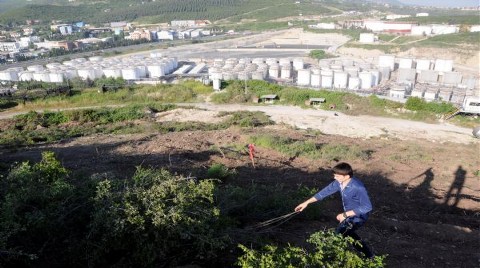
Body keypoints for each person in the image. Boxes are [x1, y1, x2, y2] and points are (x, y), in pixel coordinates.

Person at [295, 162, 374, 258]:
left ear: (347, 176)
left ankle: (329, 258)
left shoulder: (358, 187)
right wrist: (306, 203)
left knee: (339, 234)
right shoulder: (339, 183)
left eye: (337, 176)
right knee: (348, 233)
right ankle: (369, 255)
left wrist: (345, 215)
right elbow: (323, 193)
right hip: (348, 213)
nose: (335, 178)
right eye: (334, 175)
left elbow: (367, 207)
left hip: (359, 215)